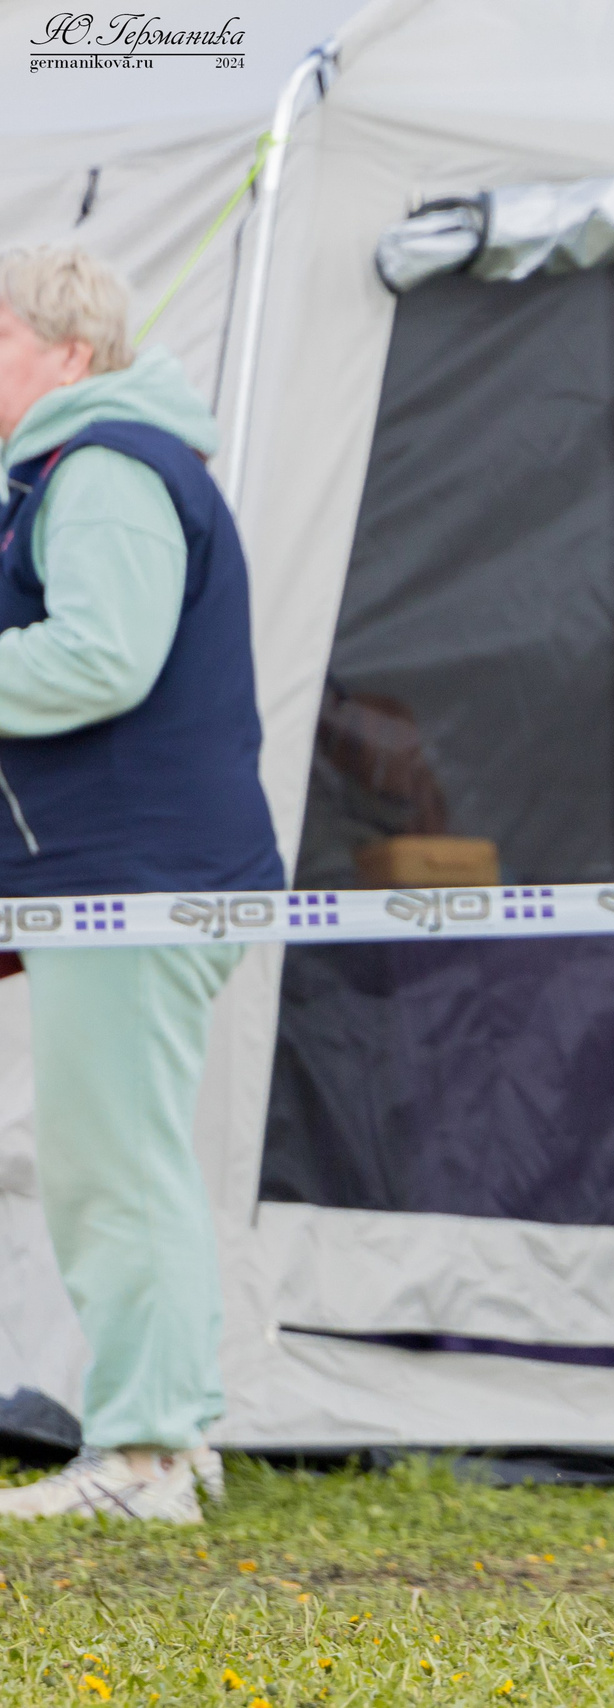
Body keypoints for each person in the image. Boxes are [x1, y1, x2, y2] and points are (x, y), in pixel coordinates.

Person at [0, 245, 282, 1523]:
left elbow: (100, 660)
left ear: (66, 351)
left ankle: (147, 1456)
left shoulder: (103, 464)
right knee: (133, 1160)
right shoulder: (94, 461)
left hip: (135, 875)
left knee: (112, 1166)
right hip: (140, 870)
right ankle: (170, 1440)